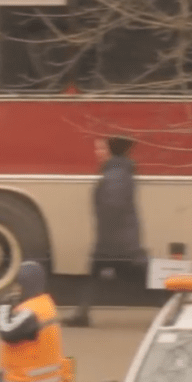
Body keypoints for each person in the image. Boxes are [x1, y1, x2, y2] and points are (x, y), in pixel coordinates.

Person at [64, 136, 146, 328]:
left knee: (142, 276)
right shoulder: (119, 172)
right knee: (100, 274)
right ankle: (81, 313)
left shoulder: (114, 175)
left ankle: (173, 308)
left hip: (115, 241)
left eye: (101, 149)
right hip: (119, 238)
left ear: (111, 151)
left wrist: (108, 239)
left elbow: (113, 207)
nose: (98, 152)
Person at [0, 261, 66, 382]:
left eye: (18, 286)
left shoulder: (31, 311)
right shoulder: (45, 305)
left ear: (25, 285)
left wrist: (3, 307)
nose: (16, 291)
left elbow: (5, 330)